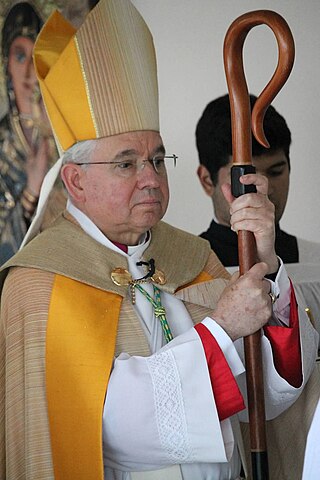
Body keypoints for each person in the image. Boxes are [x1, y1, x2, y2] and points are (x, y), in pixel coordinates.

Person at [0, 1, 318, 479]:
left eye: (157, 159)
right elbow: (112, 427)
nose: (150, 177)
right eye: (127, 163)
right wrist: (222, 330)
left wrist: (268, 267)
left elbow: (267, 397)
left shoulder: (193, 258)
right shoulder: (40, 283)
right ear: (76, 181)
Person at [196, 93, 320, 267]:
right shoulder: (181, 271)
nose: (265, 188)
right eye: (244, 177)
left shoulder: (314, 262)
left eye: (276, 171)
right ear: (207, 180)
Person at [0, 1, 65, 264]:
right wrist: (31, 190)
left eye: (35, 56)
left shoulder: (65, 133)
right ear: (6, 64)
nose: (28, 71)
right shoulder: (3, 141)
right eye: (19, 56)